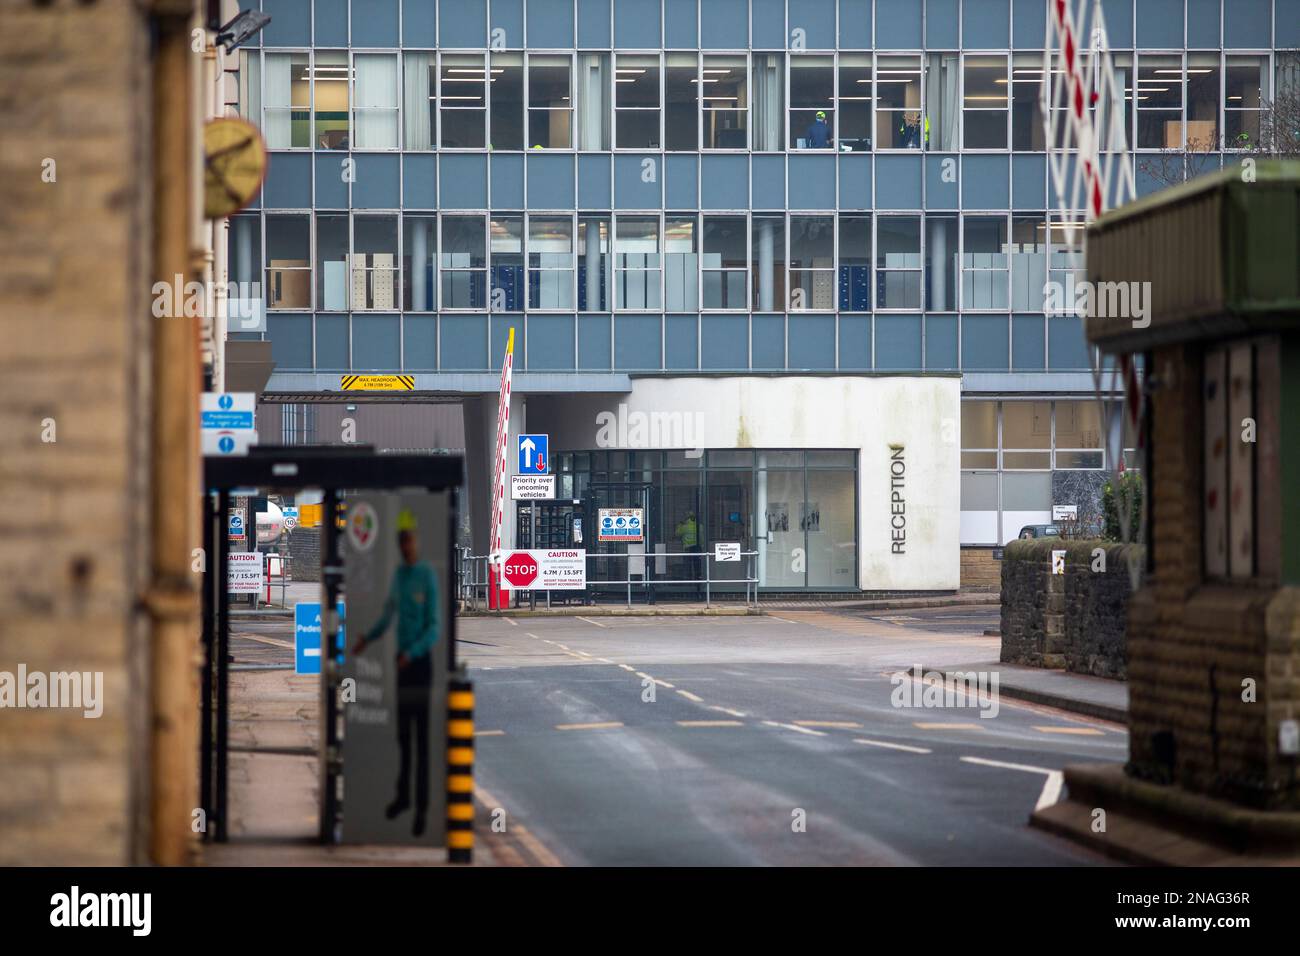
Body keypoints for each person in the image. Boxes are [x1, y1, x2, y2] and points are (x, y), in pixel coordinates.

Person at [351, 525, 440, 837]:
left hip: (419, 664)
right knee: (403, 737)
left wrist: (412, 653)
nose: (407, 550)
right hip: (401, 663)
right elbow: (388, 615)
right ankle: (403, 797)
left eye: (410, 544)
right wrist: (367, 638)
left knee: (421, 740)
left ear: (416, 544)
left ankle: (423, 809)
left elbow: (434, 627)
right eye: (402, 545)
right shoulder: (400, 576)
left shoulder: (426, 576)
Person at [675, 509, 701, 581]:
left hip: (688, 548)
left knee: (688, 564)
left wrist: (679, 524)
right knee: (697, 564)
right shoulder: (700, 526)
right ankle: (697, 577)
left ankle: (688, 578)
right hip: (698, 547)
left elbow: (677, 534)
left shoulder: (685, 527)